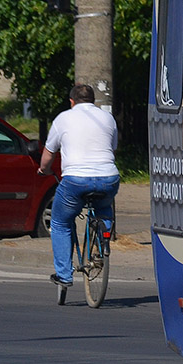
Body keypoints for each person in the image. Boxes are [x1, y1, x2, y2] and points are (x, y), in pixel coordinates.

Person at [37, 83, 120, 294]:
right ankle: (103, 239)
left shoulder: (63, 118)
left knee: (61, 221)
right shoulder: (107, 118)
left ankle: (64, 275)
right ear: (93, 101)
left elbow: (48, 155)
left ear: (72, 101)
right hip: (108, 177)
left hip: (75, 181)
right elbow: (113, 147)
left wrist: (43, 170)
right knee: (104, 208)